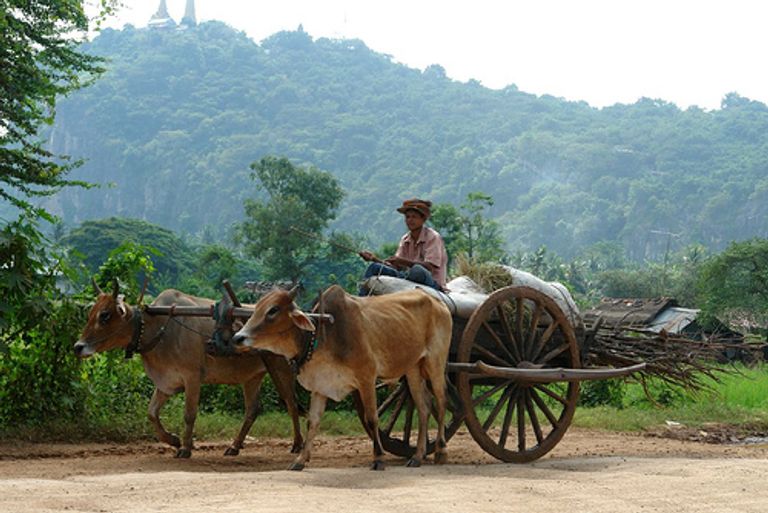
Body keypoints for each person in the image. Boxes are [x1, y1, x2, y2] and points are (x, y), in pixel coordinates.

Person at [359, 198, 448, 294]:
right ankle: (362, 300)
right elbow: (396, 267)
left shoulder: (433, 237)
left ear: (423, 219)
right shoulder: (405, 239)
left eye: (414, 217)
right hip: (409, 279)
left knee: (417, 270)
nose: (410, 220)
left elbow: (429, 267)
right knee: (374, 267)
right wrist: (374, 258)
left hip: (431, 283)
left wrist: (402, 261)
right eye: (407, 217)